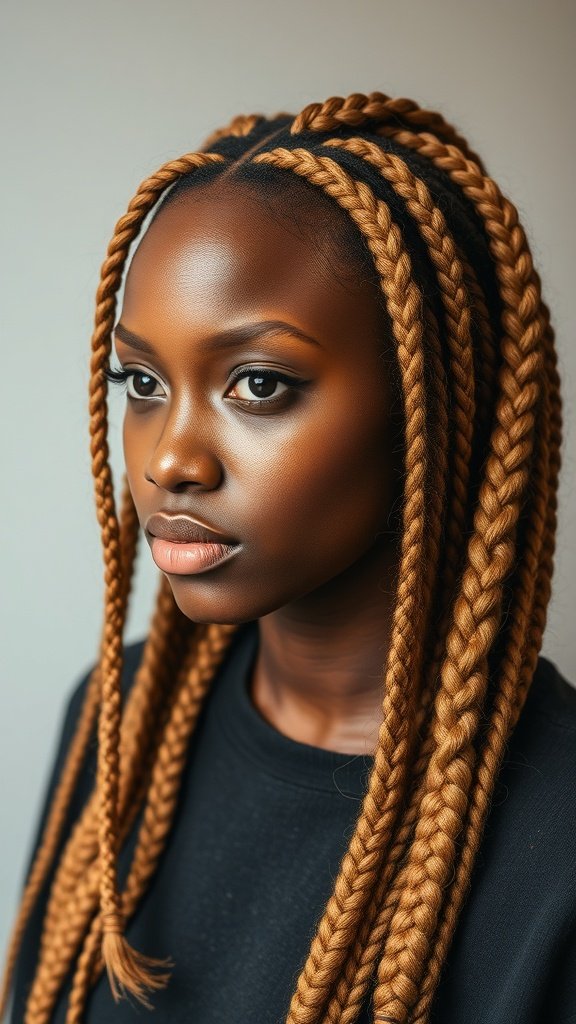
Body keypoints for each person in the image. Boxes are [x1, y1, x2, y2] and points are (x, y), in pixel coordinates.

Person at [2, 90, 575, 1024]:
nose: (167, 460)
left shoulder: (555, 849)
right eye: (142, 381)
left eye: (258, 384)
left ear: (436, 407)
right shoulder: (116, 720)